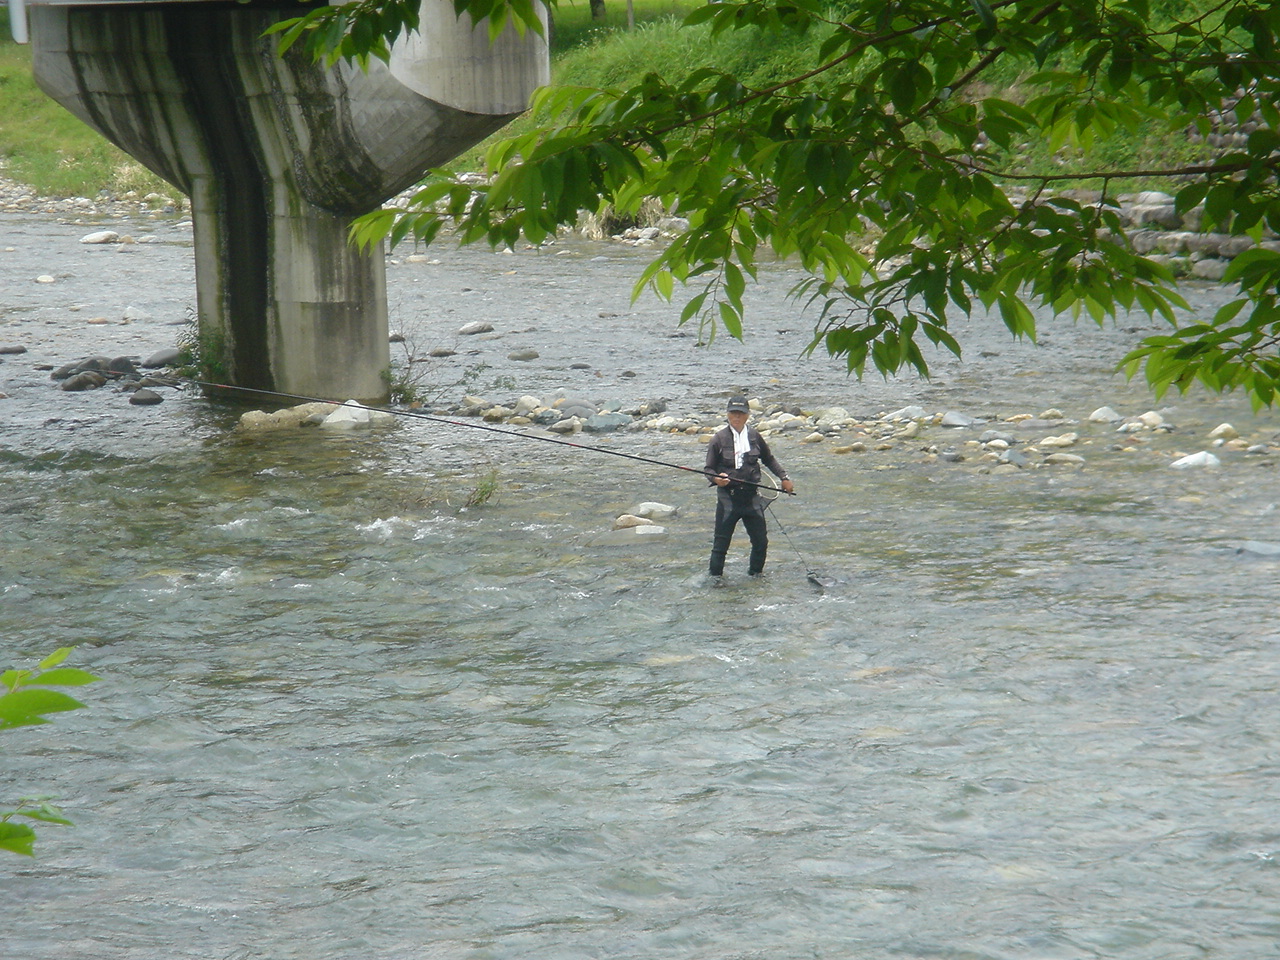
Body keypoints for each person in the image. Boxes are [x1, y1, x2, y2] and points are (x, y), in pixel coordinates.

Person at [704, 396, 795, 577]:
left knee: (761, 543)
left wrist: (784, 477)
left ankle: (756, 577)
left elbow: (769, 459)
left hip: (752, 498)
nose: (736, 417)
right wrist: (716, 479)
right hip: (728, 499)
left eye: (740, 413)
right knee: (720, 546)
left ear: (747, 415)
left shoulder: (754, 436)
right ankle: (715, 582)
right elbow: (708, 469)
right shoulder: (718, 439)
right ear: (728, 414)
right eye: (733, 413)